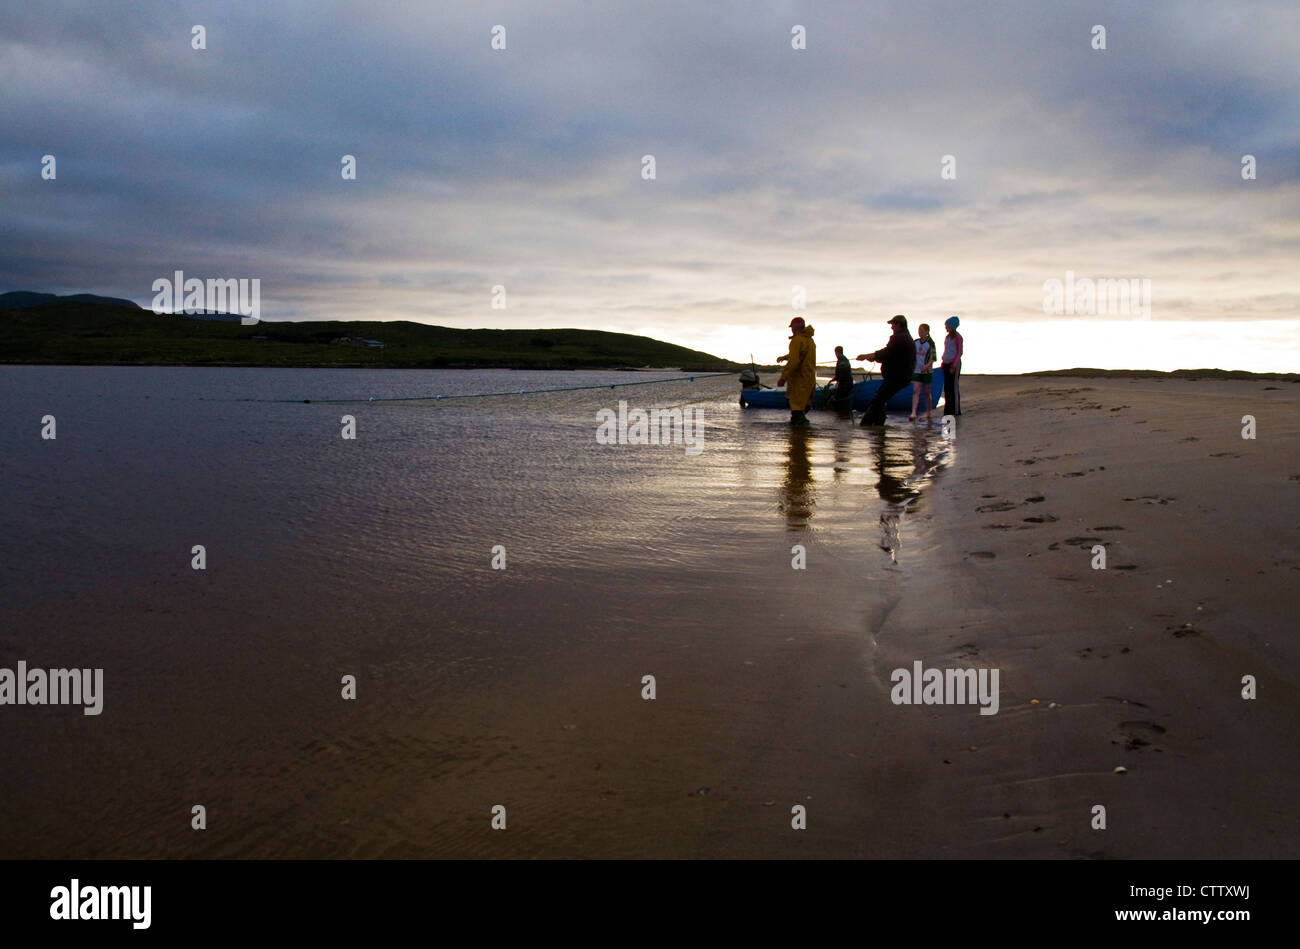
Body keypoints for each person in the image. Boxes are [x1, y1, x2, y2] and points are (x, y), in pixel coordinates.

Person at [856, 315, 914, 426]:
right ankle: (879, 427)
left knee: (878, 400)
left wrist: (868, 356)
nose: (891, 327)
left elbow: (886, 353)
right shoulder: (904, 337)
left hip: (897, 377)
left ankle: (865, 425)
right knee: (881, 399)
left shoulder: (900, 337)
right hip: (900, 376)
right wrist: (873, 357)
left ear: (899, 324)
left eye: (893, 324)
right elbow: (890, 354)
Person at [776, 317, 816, 425]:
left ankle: (799, 435)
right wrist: (785, 357)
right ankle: (801, 435)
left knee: (796, 408)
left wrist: (783, 378)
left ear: (794, 328)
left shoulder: (797, 340)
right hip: (810, 379)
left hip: (799, 380)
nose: (791, 330)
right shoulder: (810, 340)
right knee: (803, 406)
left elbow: (794, 361)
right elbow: (798, 355)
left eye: (792, 328)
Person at [910, 323, 936, 426]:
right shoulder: (915, 342)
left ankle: (929, 411)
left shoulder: (930, 343)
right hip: (916, 370)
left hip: (927, 371)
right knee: (916, 390)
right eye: (918, 330)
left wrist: (926, 366)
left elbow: (933, 357)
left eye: (921, 330)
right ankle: (913, 412)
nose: (919, 332)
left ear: (926, 331)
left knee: (926, 392)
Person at [941, 316, 963, 416]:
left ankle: (955, 410)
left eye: (947, 326)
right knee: (947, 387)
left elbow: (959, 352)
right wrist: (943, 361)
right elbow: (947, 350)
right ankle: (948, 409)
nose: (946, 328)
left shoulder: (958, 337)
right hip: (946, 363)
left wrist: (953, 365)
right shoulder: (947, 337)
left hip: (954, 364)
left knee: (953, 387)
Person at [832, 345, 855, 410]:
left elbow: (843, 371)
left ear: (836, 352)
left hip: (845, 384)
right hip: (846, 383)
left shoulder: (842, 359)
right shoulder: (842, 359)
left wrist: (838, 381)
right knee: (840, 397)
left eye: (835, 353)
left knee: (839, 398)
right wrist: (835, 378)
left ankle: (842, 415)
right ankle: (843, 415)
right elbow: (841, 371)